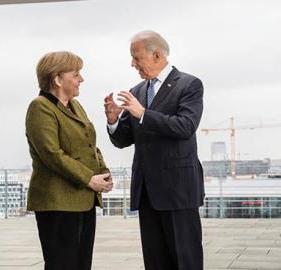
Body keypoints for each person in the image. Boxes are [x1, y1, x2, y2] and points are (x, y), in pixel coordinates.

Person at [104, 30, 205, 270]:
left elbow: (186, 126)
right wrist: (113, 121)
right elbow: (123, 140)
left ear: (157, 54)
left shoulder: (189, 85)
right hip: (147, 191)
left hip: (179, 191)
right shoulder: (138, 91)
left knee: (185, 259)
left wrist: (143, 114)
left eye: (136, 57)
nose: (132, 63)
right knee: (155, 261)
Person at [25, 51, 113, 270]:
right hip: (57, 202)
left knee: (82, 264)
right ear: (57, 79)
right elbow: (52, 154)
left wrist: (103, 172)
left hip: (83, 200)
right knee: (62, 264)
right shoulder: (40, 107)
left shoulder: (75, 106)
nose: (81, 79)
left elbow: (90, 144)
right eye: (75, 74)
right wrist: (89, 179)